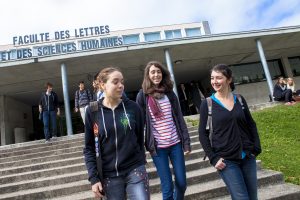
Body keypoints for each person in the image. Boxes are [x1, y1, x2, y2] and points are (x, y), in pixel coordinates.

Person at [84, 67, 149, 200]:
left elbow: (139, 137)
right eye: (115, 82)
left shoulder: (133, 108)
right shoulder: (93, 111)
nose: (121, 85)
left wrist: (141, 162)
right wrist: (94, 178)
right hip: (109, 177)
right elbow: (89, 148)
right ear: (103, 85)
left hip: (135, 169)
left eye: (122, 82)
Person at [198, 64, 261, 200]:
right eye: (212, 78)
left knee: (252, 197)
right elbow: (202, 133)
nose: (214, 81)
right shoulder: (207, 104)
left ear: (229, 80)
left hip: (247, 156)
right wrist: (213, 158)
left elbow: (251, 124)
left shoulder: (239, 99)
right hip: (226, 160)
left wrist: (256, 147)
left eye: (219, 78)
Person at [136, 61, 191, 200]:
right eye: (153, 72)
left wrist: (186, 143)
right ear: (148, 75)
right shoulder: (143, 96)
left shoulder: (170, 94)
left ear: (163, 74)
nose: (156, 74)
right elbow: (140, 124)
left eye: (159, 72)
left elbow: (179, 118)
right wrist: (139, 150)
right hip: (158, 147)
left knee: (182, 183)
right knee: (167, 186)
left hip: (175, 144)